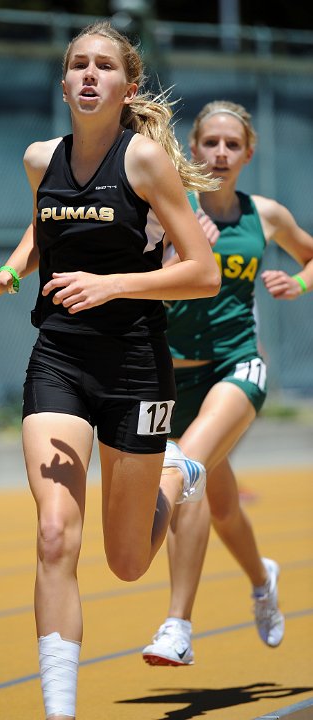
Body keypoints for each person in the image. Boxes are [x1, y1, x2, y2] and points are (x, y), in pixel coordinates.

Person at [0, 21, 221, 719]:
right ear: (63, 81)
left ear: (126, 87)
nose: (88, 74)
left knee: (129, 561)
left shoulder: (144, 164)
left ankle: (178, 473)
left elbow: (204, 273)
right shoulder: (39, 158)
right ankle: (60, 710)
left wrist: (112, 285)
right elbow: (41, 228)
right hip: (61, 358)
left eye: (103, 66)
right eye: (77, 63)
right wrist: (7, 277)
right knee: (54, 532)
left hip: (137, 364)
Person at [142, 99, 313, 668]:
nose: (219, 153)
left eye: (231, 145)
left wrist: (299, 284)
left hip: (238, 366)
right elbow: (142, 283)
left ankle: (177, 626)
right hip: (173, 378)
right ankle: (262, 579)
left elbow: (312, 255)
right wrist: (174, 248)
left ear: (248, 153)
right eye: (209, 142)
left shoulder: (265, 215)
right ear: (192, 149)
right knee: (219, 504)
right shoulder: (169, 208)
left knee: (183, 469)